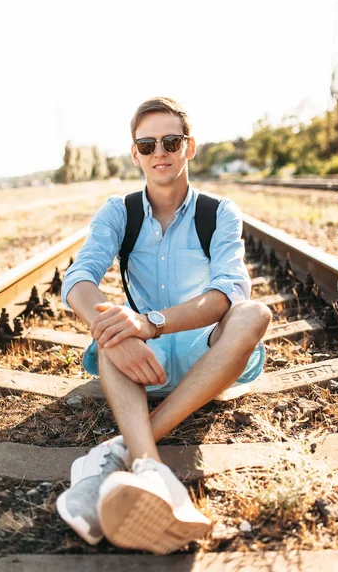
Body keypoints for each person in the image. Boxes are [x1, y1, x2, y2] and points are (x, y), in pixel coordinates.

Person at [56, 97, 272, 555]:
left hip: (204, 359)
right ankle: (153, 470)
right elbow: (77, 277)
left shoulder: (219, 212)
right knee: (108, 322)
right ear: (136, 154)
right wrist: (120, 324)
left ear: (188, 148)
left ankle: (120, 451)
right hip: (140, 364)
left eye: (171, 141)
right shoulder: (120, 210)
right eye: (148, 144)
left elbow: (229, 293)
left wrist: (151, 322)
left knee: (255, 313)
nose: (160, 151)